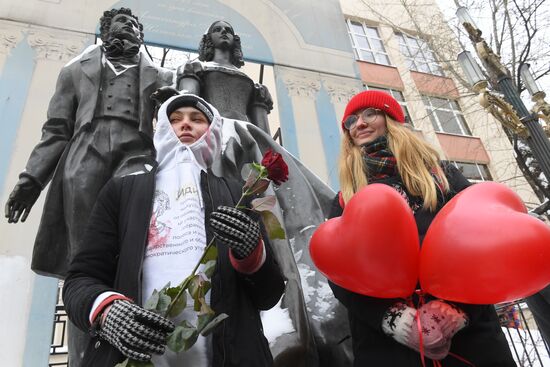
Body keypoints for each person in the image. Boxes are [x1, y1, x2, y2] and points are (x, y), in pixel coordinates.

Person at [62, 93, 285, 366]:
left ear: (213, 129)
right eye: (175, 120)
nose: (185, 125)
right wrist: (109, 312)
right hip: (133, 357)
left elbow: (269, 294)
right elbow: (80, 279)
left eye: (197, 119)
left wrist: (252, 253)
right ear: (163, 129)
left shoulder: (238, 194)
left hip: (231, 355)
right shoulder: (121, 191)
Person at [4, 7, 173, 366]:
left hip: (137, 154)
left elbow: (177, 129)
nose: (127, 28)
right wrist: (31, 179)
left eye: (134, 25)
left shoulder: (162, 77)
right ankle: (84, 358)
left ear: (141, 35)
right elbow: (55, 131)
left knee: (134, 249)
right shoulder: (74, 72)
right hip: (85, 155)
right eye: (119, 23)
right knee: (84, 264)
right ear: (105, 30)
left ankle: (136, 343)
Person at [327, 90, 516, 366]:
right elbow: (339, 274)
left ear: (391, 120)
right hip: (388, 349)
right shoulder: (346, 196)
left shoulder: (443, 176)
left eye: (370, 114)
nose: (359, 124)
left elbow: (483, 244)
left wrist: (457, 312)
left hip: (471, 342)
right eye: (351, 121)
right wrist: (393, 319)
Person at [176, 20, 273, 133]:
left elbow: (263, 133)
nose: (223, 31)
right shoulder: (195, 69)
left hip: (245, 137)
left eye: (228, 31)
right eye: (217, 30)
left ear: (234, 39)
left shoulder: (256, 87)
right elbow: (187, 103)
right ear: (209, 39)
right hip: (211, 134)